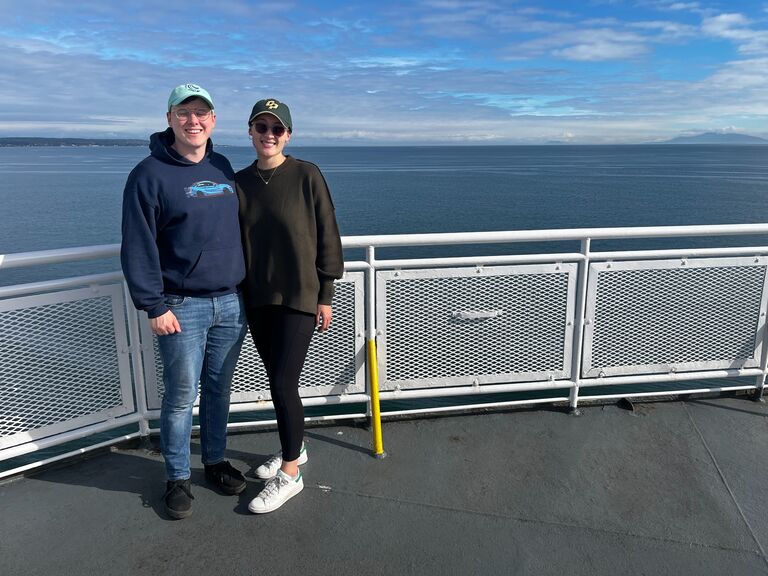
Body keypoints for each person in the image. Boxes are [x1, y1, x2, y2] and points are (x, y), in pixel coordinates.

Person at [121, 83, 248, 520]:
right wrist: (153, 306)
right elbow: (138, 245)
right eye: (184, 113)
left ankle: (213, 462)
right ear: (170, 118)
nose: (193, 121)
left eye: (202, 113)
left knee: (218, 390)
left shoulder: (222, 165)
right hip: (181, 306)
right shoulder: (148, 174)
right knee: (179, 397)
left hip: (231, 302)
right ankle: (176, 477)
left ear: (213, 120)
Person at [236, 98, 344, 514]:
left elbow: (327, 234)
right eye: (260, 127)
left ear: (288, 135)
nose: (268, 134)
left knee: (283, 383)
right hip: (257, 297)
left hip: (299, 296)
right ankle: (292, 447)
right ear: (250, 132)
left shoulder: (306, 175)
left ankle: (291, 472)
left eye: (276, 129)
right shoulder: (239, 182)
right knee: (277, 381)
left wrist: (326, 294)